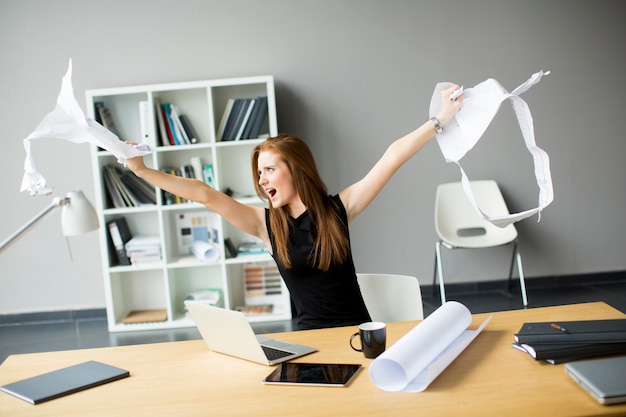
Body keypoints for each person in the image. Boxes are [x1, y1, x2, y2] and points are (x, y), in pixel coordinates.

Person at [125, 84, 463, 330]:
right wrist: (141, 170)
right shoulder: (265, 225)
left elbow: (392, 157)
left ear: (296, 170)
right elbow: (204, 194)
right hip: (311, 343)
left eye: (270, 170)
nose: (262, 180)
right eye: (259, 173)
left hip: (358, 335)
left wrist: (440, 119)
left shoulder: (339, 209)